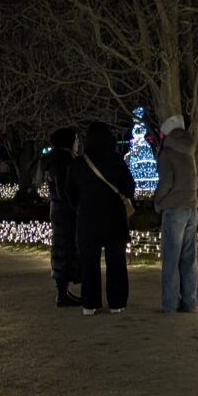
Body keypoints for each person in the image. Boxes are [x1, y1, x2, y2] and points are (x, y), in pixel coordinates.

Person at [67, 122, 135, 315]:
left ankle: (90, 303)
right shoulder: (116, 161)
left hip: (88, 219)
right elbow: (129, 188)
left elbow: (69, 192)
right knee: (116, 262)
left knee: (89, 262)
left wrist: (81, 207)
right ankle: (117, 302)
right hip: (114, 218)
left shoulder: (80, 163)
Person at [153, 115, 198, 313]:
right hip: (191, 207)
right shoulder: (189, 151)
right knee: (188, 259)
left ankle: (170, 303)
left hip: (174, 209)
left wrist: (157, 201)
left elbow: (166, 183)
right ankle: (190, 302)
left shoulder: (168, 153)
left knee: (171, 259)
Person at [43, 128, 82, 306]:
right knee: (66, 247)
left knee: (61, 247)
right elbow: (65, 190)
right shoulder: (64, 162)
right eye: (76, 140)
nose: (78, 143)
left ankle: (63, 291)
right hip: (66, 212)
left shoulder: (53, 160)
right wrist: (76, 205)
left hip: (58, 209)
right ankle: (62, 293)